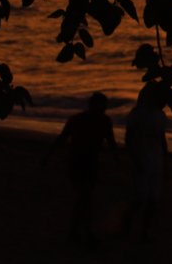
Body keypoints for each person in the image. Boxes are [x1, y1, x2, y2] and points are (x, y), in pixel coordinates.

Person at [44, 91, 118, 244]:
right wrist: (48, 156)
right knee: (84, 197)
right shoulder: (78, 120)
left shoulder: (105, 121)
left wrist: (118, 161)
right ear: (91, 105)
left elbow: (111, 143)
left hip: (92, 163)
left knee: (85, 198)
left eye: (104, 106)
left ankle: (77, 232)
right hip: (76, 161)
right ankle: (82, 232)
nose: (102, 108)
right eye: (100, 105)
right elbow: (62, 138)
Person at [122, 91, 169, 240]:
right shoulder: (137, 113)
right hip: (142, 158)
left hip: (156, 159)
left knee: (153, 198)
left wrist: (165, 159)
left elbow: (162, 138)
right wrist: (134, 158)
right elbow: (128, 137)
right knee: (140, 197)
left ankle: (144, 231)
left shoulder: (161, 115)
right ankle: (128, 224)